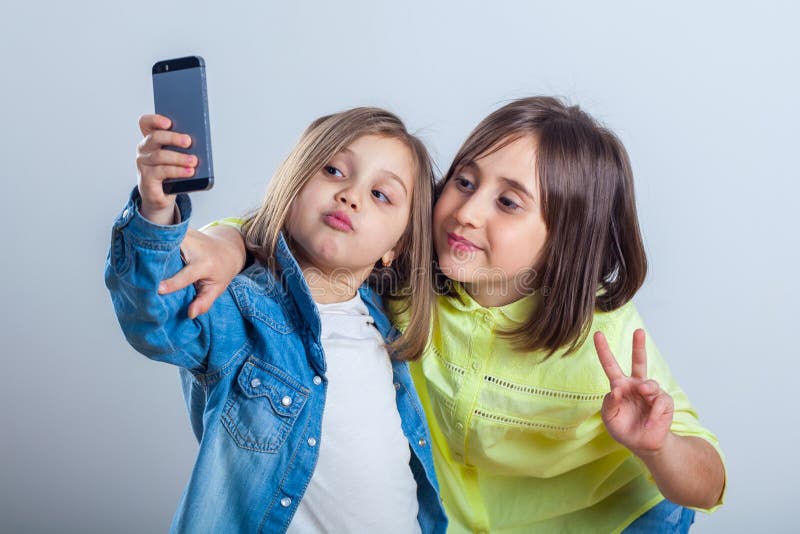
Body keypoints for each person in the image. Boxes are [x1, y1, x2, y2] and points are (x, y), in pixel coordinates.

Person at [165, 97, 726, 533]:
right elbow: (303, 230)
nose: (465, 212)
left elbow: (706, 482)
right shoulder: (409, 276)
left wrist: (657, 446)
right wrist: (228, 241)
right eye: (464, 181)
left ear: (565, 240)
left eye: (508, 202)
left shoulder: (603, 332)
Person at [104, 107, 448, 533]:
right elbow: (153, 315)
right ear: (294, 183)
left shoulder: (387, 324)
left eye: (381, 195)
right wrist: (156, 212)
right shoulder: (241, 311)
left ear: (394, 247)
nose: (351, 195)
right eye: (334, 170)